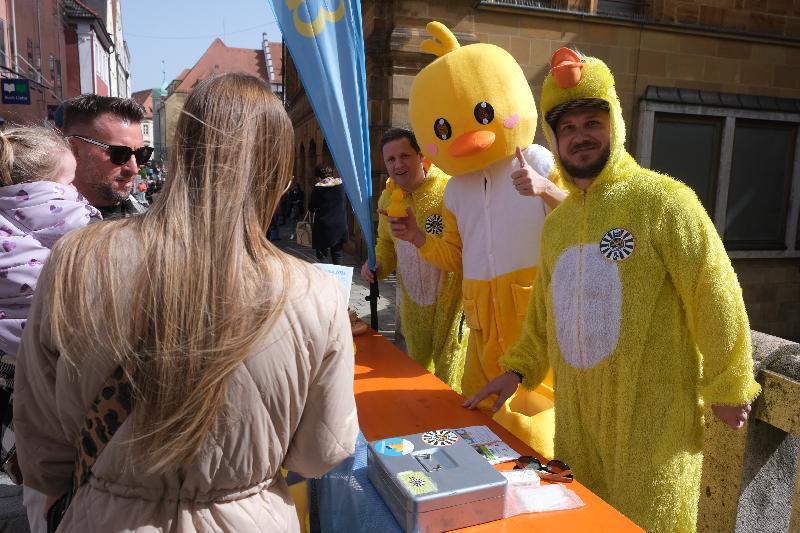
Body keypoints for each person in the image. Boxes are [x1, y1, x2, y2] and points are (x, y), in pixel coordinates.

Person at [14, 73, 358, 532]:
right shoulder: (315, 290)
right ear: (277, 172)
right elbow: (322, 453)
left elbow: (40, 441)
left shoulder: (77, 259)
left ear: (181, 155)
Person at [465, 49, 760, 533]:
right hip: (577, 419)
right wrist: (516, 370)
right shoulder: (557, 225)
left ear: (615, 124)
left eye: (592, 121)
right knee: (582, 520)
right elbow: (545, 313)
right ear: (555, 139)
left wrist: (729, 384)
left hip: (655, 425)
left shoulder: (663, 200)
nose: (579, 136)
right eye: (568, 128)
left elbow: (714, 291)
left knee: (652, 523)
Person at [388, 21, 566, 457]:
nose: (470, 135)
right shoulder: (455, 188)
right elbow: (454, 255)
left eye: (484, 115)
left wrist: (545, 190)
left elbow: (583, 222)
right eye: (444, 130)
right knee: (479, 409)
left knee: (540, 411)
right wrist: (415, 237)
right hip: (481, 314)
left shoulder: (539, 160)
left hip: (532, 310)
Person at [0, 126, 100, 532]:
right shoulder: (85, 242)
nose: (76, 192)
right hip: (84, 417)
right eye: (69, 182)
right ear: (44, 193)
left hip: (20, 427)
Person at [360, 128, 467, 391]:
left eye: (404, 156)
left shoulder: (448, 190)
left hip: (450, 305)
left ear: (421, 156)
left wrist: (419, 236)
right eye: (391, 160)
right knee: (416, 376)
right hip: (413, 306)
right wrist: (377, 266)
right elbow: (386, 244)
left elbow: (461, 252)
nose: (398, 165)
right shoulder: (387, 197)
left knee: (450, 380)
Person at [60, 94, 153, 219]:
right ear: (75, 149)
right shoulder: (39, 230)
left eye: (142, 154)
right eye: (120, 153)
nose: (134, 169)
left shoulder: (149, 224)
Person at [309, 165, 348, 265]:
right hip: (339, 224)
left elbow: (311, 207)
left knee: (321, 254)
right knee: (337, 253)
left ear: (318, 177)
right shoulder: (341, 185)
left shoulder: (318, 188)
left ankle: (324, 277)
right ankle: (338, 279)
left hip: (323, 225)